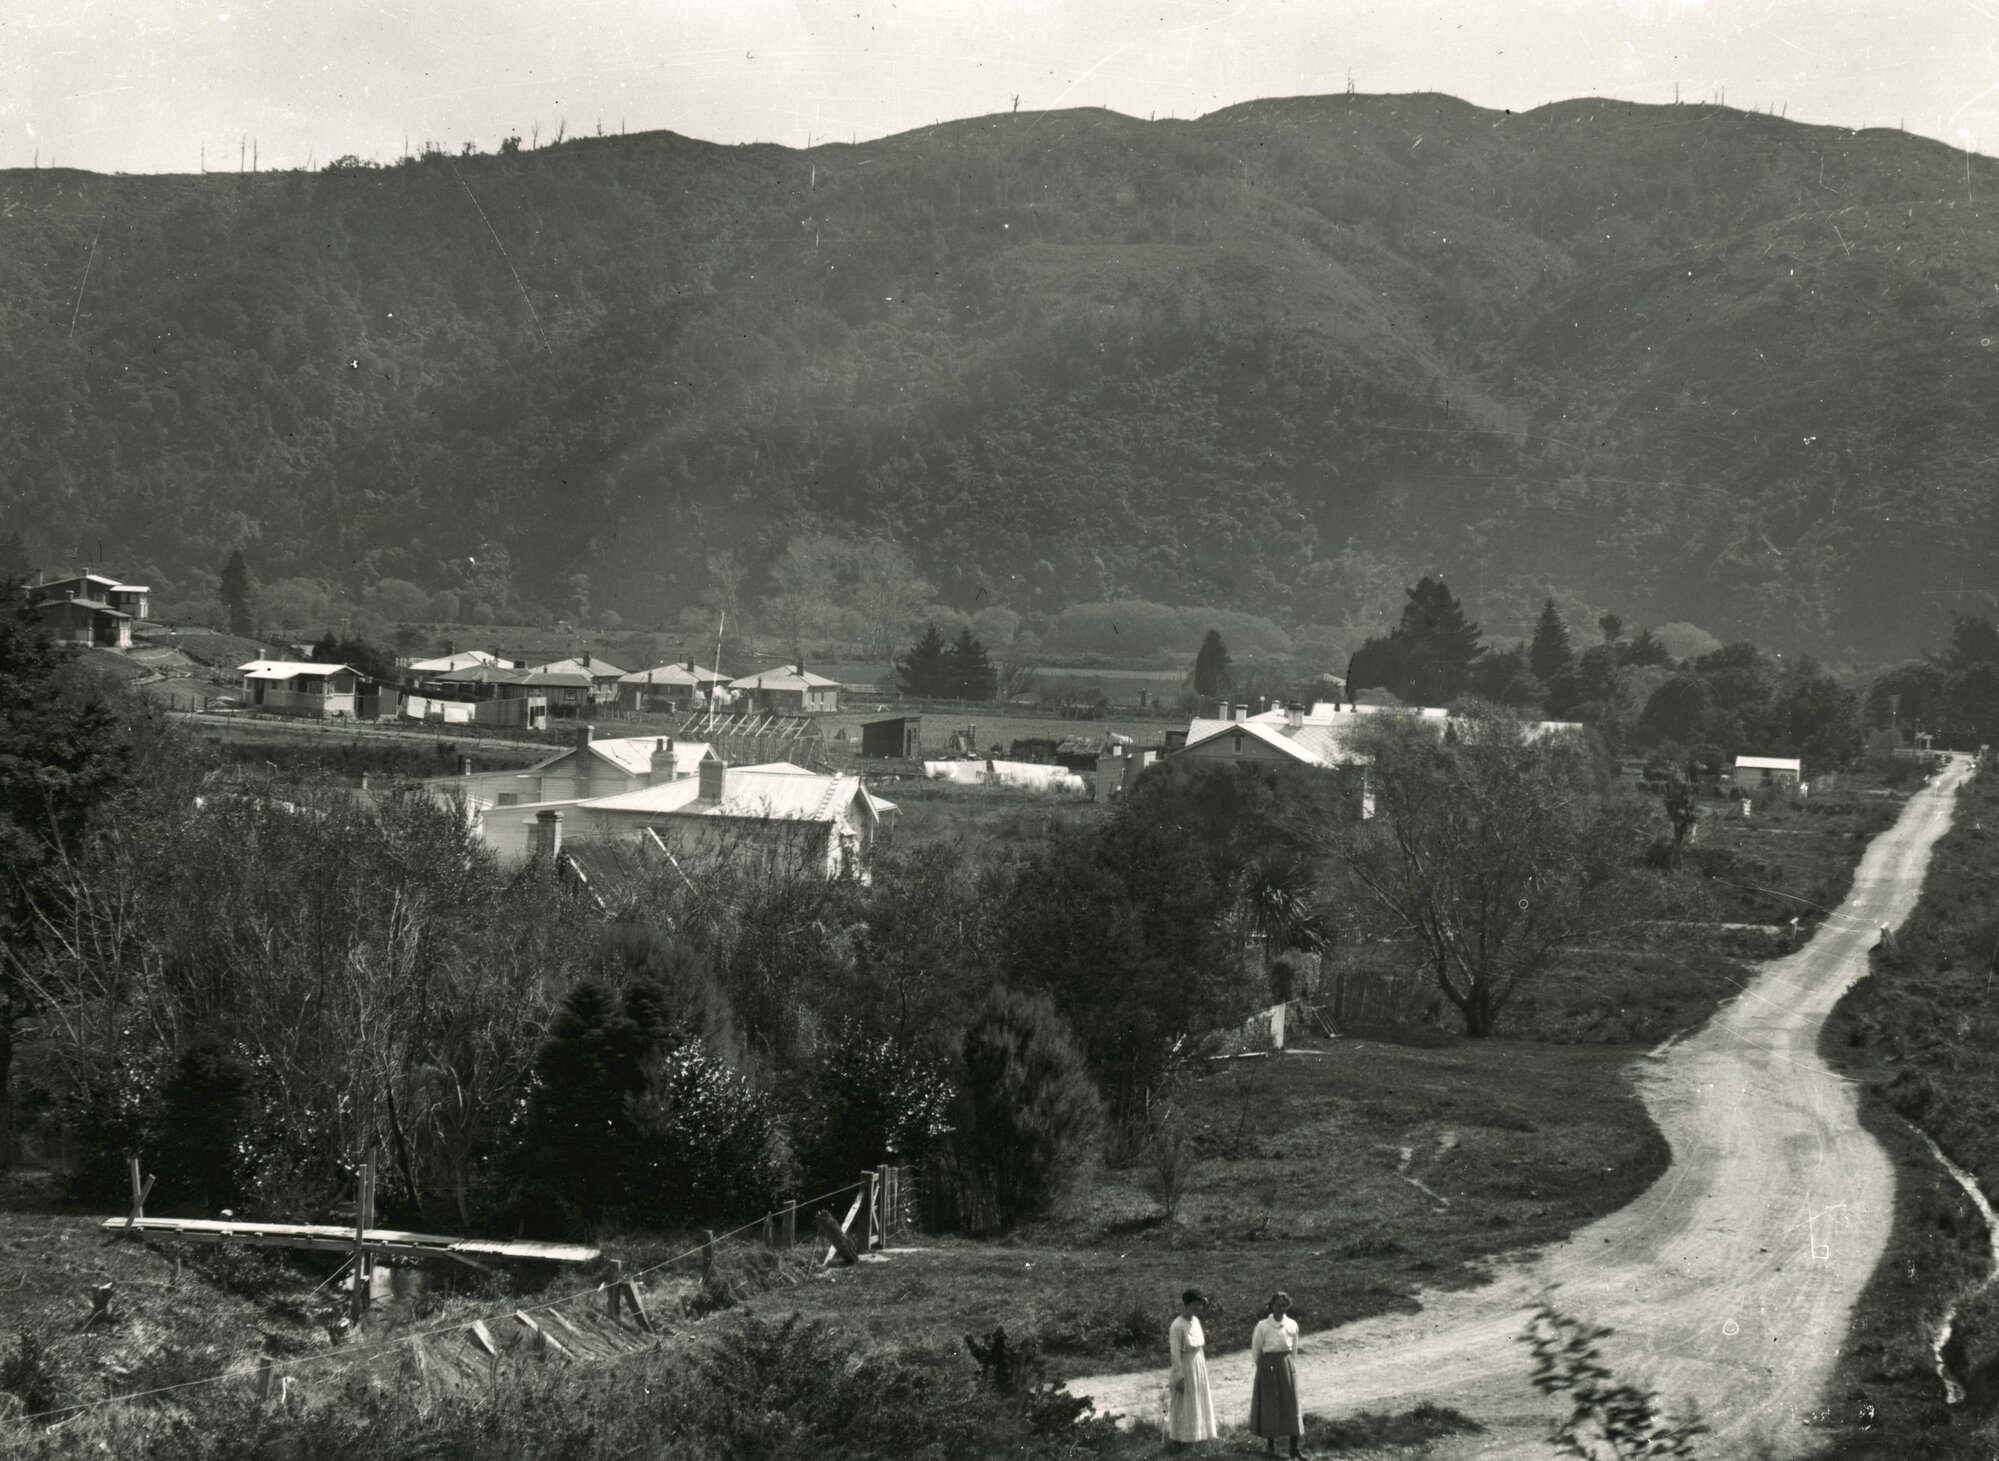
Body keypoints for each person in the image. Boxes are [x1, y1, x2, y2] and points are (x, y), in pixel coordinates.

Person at [1249, 1291, 1306, 1458]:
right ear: (1271, 1306)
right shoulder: (1263, 1326)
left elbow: (1294, 1348)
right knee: (1270, 1405)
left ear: (1287, 1306)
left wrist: (1289, 1365)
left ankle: (1294, 1448)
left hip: (1286, 1365)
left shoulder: (1292, 1325)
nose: (1280, 1308)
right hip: (1268, 1367)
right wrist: (1263, 1366)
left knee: (1291, 1404)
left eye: (1284, 1305)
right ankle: (1270, 1447)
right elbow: (1256, 1350)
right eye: (1277, 1305)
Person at [1166, 1288, 1218, 1446]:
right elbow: (1175, 1353)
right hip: (1185, 1365)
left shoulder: (1195, 1321)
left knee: (1198, 1400)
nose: (1197, 1307)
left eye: (1200, 1304)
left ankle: (1196, 1437)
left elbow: (1199, 1345)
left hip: (1198, 1363)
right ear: (1186, 1305)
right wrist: (1179, 1377)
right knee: (1184, 1402)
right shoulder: (1177, 1326)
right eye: (1194, 1304)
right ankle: (1180, 1440)